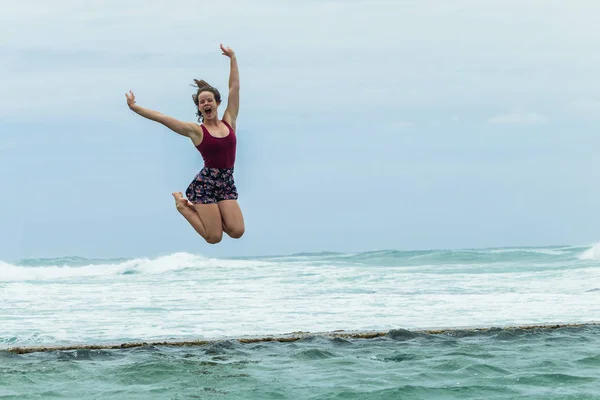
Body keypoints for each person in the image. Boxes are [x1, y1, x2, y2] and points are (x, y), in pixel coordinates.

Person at [125, 44, 244, 244]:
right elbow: (162, 118)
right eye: (201, 102)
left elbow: (234, 88)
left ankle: (213, 213)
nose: (206, 104)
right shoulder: (196, 131)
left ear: (217, 102)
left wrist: (232, 58)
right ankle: (183, 206)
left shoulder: (230, 121)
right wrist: (135, 107)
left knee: (237, 231)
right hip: (205, 185)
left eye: (209, 100)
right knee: (214, 237)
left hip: (226, 182)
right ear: (199, 107)